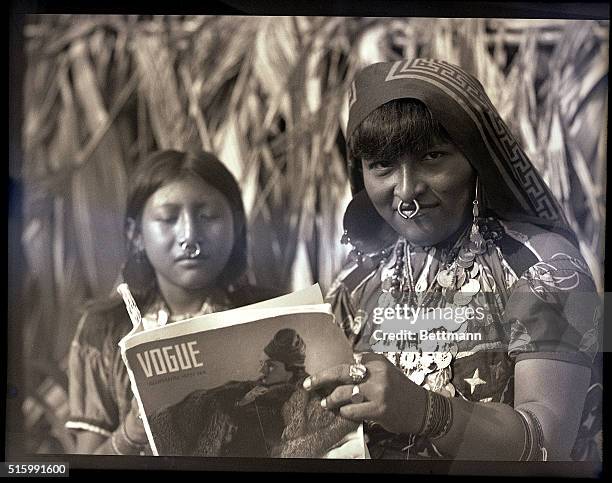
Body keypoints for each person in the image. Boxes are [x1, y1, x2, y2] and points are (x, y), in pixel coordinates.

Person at [302, 59, 602, 461]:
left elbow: (549, 445)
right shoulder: (355, 281)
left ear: (475, 159)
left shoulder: (552, 268)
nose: (406, 192)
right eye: (382, 165)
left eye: (432, 157)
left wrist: (426, 412)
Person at [65, 150, 280, 455]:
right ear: (136, 234)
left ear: (237, 226)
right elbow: (82, 463)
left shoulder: (273, 315)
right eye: (168, 218)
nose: (190, 237)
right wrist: (131, 433)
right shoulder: (104, 331)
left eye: (208, 217)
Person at [148, 328, 358, 457]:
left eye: (271, 365)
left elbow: (302, 444)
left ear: (291, 369)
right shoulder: (241, 390)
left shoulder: (308, 398)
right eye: (262, 364)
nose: (262, 370)